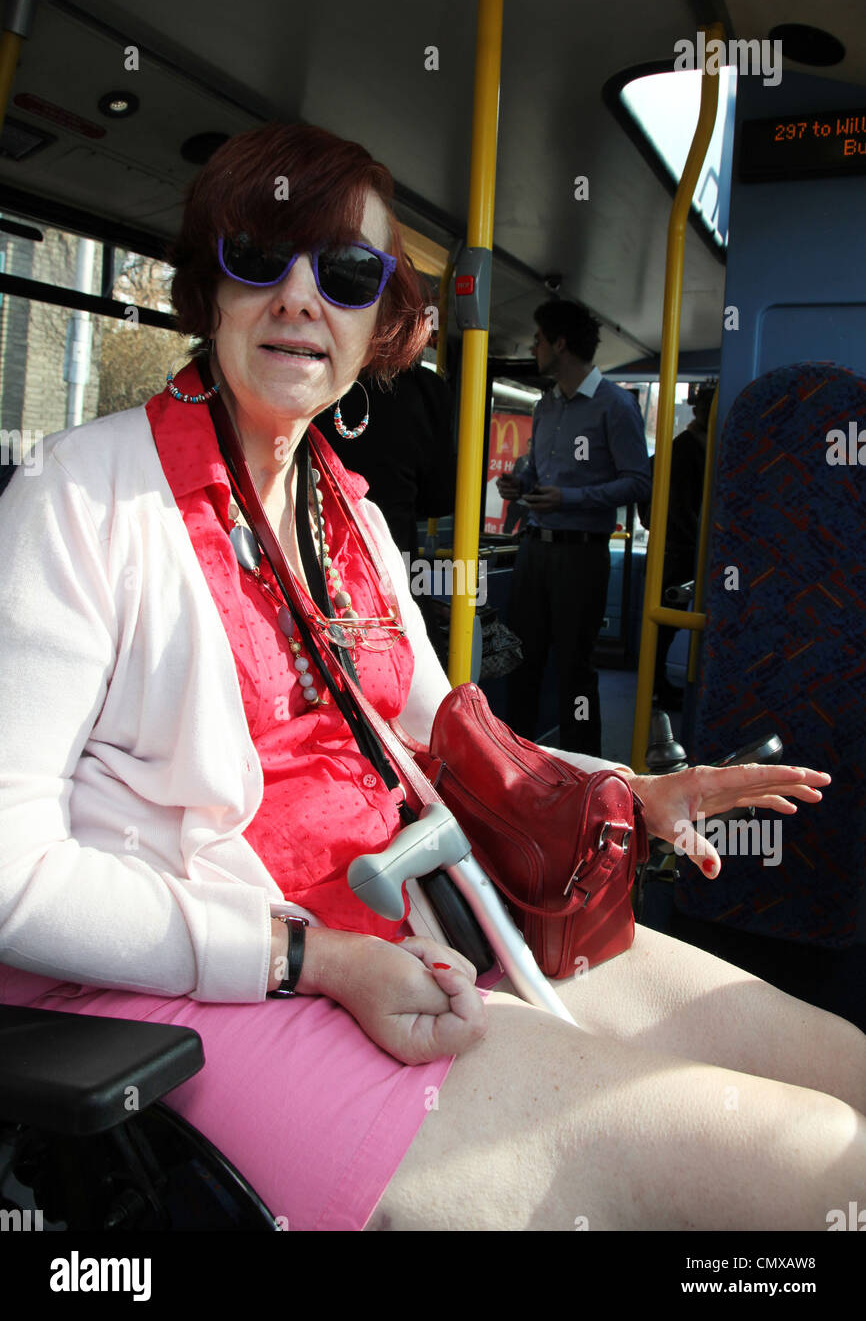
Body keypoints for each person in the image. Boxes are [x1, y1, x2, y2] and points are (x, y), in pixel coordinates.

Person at [0, 123, 863, 1235]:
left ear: (382, 322)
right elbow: (11, 870)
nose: (300, 299)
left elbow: (432, 736)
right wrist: (308, 957)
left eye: (346, 273)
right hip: (190, 978)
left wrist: (628, 789)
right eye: (258, 259)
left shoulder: (342, 513)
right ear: (207, 289)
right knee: (814, 1169)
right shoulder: (80, 499)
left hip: (409, 918)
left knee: (842, 1074)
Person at [498, 302, 652, 754]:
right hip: (535, 549)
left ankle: (584, 770)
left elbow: (638, 481)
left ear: (560, 344)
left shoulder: (616, 406)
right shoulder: (546, 407)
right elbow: (540, 477)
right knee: (521, 661)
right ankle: (517, 763)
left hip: (581, 555)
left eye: (539, 340)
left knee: (574, 670)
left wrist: (572, 499)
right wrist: (520, 483)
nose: (534, 347)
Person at [313, 360, 456, 557]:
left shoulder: (313, 375)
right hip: (392, 554)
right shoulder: (425, 390)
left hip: (313, 548)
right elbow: (439, 500)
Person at [639, 383, 715, 709]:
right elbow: (684, 509)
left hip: (676, 549)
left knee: (667, 628)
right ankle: (655, 688)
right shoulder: (690, 448)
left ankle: (658, 685)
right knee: (665, 627)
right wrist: (705, 548)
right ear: (699, 411)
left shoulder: (694, 445)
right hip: (680, 552)